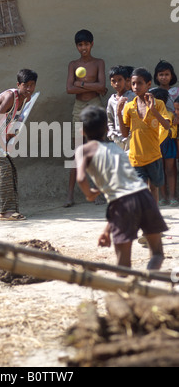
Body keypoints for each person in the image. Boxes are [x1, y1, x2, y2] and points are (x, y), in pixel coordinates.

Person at [76, 105, 166, 270]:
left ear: (82, 130)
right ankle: (145, 285)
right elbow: (126, 189)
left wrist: (89, 194)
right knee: (158, 254)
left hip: (121, 204)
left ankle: (128, 290)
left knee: (123, 266)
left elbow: (81, 178)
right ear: (106, 127)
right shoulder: (117, 149)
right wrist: (107, 230)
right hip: (145, 196)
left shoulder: (84, 150)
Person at [0, 69, 38, 221]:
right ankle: (5, 212)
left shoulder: (26, 99)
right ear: (18, 85)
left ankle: (2, 210)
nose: (29, 89)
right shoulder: (11, 96)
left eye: (32, 85)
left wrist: (8, 136)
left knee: (6, 169)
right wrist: (2, 142)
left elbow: (9, 120)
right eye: (26, 85)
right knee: (4, 168)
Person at [64, 29, 106, 207]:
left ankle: (98, 193)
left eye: (86, 44)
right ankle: (70, 195)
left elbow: (102, 86)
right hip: (78, 107)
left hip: (95, 106)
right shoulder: (73, 64)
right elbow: (69, 89)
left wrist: (80, 83)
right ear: (76, 46)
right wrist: (92, 86)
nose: (83, 47)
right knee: (76, 153)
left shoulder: (98, 63)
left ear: (92, 44)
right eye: (80, 45)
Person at [117, 67, 170, 204]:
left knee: (153, 188)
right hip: (136, 156)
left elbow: (166, 126)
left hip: (154, 155)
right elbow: (124, 133)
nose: (135, 87)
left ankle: (154, 216)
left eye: (139, 83)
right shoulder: (129, 107)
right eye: (133, 83)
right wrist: (118, 113)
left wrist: (153, 110)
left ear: (148, 85)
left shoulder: (158, 104)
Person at [151, 88, 178, 206]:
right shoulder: (149, 116)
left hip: (168, 144)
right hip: (156, 145)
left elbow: (174, 130)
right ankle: (163, 197)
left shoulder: (171, 115)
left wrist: (171, 131)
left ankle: (172, 196)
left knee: (170, 170)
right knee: (160, 170)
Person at [107, 65, 135, 151]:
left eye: (120, 80)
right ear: (110, 83)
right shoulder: (111, 100)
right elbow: (110, 120)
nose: (117, 83)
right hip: (117, 140)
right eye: (113, 81)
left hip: (131, 139)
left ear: (126, 80)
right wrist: (112, 134)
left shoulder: (132, 97)